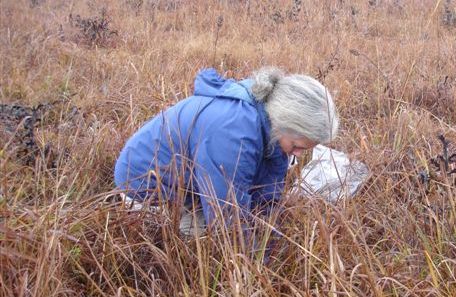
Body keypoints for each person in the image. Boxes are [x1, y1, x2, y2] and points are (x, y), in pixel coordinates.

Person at [114, 67, 339, 229]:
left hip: (190, 185)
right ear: (286, 122)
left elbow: (267, 191)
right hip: (146, 190)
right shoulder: (233, 132)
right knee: (205, 241)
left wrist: (270, 230)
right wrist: (258, 269)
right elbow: (227, 218)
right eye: (298, 146)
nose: (298, 155)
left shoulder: (270, 118)